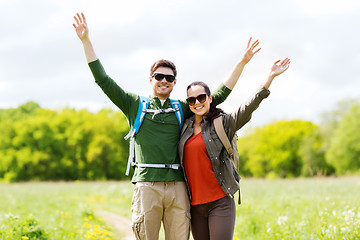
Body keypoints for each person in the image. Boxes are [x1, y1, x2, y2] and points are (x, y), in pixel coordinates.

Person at [73, 12, 261, 239]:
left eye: (169, 78)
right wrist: (86, 41)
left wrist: (242, 62)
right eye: (159, 76)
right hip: (147, 185)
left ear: (175, 83)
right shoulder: (134, 104)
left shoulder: (183, 106)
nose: (164, 80)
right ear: (150, 79)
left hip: (178, 187)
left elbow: (217, 95)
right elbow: (103, 80)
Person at [178, 58, 290, 239]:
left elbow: (248, 107)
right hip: (194, 206)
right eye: (192, 99)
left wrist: (270, 77)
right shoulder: (183, 128)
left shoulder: (223, 123)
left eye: (201, 97)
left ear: (210, 98)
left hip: (220, 202)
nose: (197, 102)